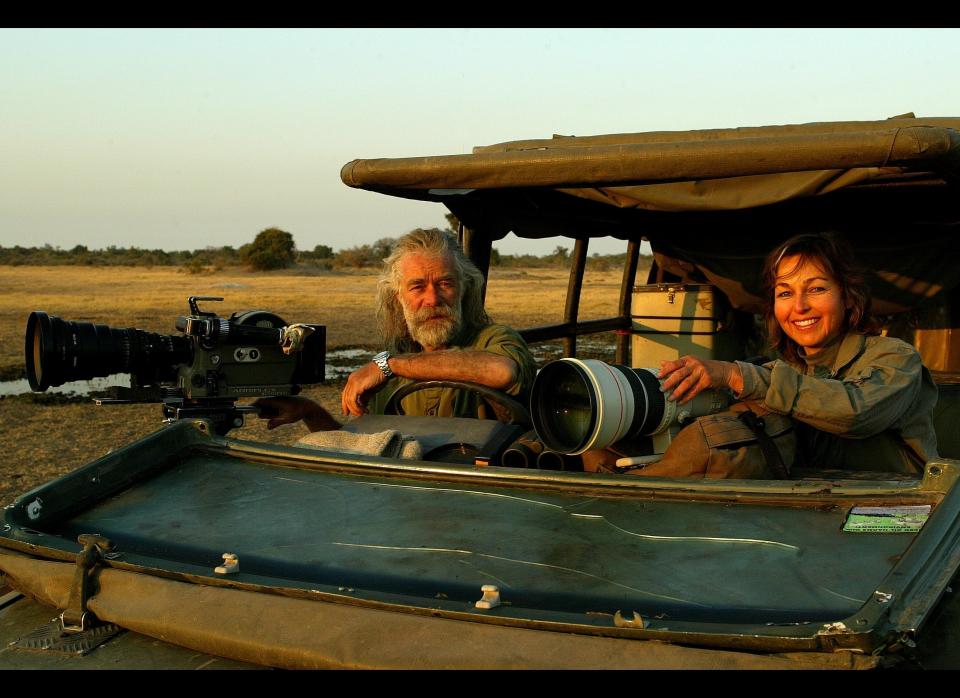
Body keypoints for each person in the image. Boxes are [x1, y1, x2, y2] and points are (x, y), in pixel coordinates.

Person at [657, 232, 938, 474]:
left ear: (848, 297)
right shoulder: (786, 369)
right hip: (808, 511)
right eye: (785, 293)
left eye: (816, 288)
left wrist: (737, 376)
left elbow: (856, 412)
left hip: (899, 513)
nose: (799, 306)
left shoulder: (896, 358)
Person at [257, 228, 536, 432]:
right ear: (397, 297)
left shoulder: (494, 339)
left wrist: (391, 366)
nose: (433, 299)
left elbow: (502, 372)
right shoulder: (393, 364)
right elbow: (364, 451)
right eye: (417, 287)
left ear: (464, 290)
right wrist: (309, 411)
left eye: (445, 284)